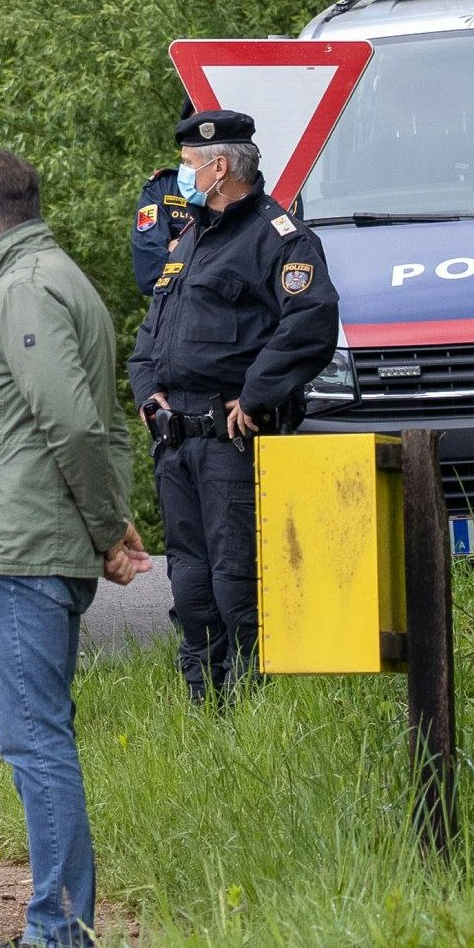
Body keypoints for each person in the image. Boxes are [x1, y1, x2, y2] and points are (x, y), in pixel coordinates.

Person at [0, 149, 148, 948]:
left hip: (19, 545)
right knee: (38, 736)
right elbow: (106, 421)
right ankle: (58, 932)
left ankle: (59, 940)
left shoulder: (23, 289)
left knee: (34, 741)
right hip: (31, 540)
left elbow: (68, 419)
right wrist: (113, 518)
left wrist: (106, 527)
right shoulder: (63, 280)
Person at [129, 106, 341, 705]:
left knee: (236, 583)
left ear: (220, 168)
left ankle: (254, 708)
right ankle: (205, 706)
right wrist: (148, 394)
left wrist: (256, 394)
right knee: (190, 584)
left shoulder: (278, 238)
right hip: (176, 440)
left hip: (233, 439)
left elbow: (311, 323)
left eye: (190, 165)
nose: (183, 175)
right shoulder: (192, 236)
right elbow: (152, 334)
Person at [128, 162, 193, 296]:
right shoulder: (164, 185)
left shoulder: (242, 191)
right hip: (171, 309)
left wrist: (179, 248)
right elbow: (149, 274)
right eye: (186, 161)